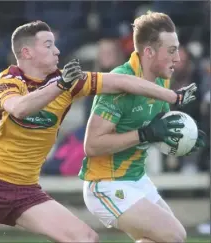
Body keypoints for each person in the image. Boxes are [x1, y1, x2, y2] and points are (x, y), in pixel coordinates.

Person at [0, 20, 197, 243]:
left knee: (86, 238)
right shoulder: (10, 79)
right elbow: (20, 109)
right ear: (27, 52)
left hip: (25, 191)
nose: (57, 50)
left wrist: (174, 97)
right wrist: (61, 85)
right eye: (49, 45)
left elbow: (121, 81)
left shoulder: (68, 81)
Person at [80, 12, 206, 243]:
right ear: (148, 52)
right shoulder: (118, 83)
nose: (177, 57)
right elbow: (92, 145)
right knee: (174, 235)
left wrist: (180, 139)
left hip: (136, 178)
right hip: (106, 183)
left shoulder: (161, 80)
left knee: (167, 240)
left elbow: (158, 128)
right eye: (171, 50)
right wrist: (143, 134)